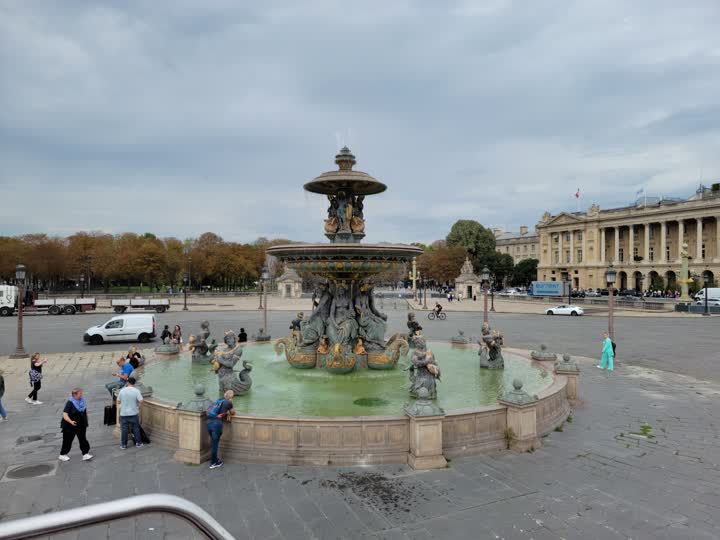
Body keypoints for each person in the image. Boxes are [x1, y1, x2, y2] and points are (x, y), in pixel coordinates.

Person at [59, 387, 92, 462]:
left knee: (83, 439)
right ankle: (62, 454)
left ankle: (85, 454)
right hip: (70, 426)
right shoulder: (70, 403)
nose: (82, 395)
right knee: (67, 441)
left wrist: (86, 419)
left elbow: (84, 410)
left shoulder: (82, 400)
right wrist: (71, 422)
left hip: (81, 424)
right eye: (80, 393)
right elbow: (65, 415)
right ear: (75, 395)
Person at [206, 390, 235, 469]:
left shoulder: (218, 401)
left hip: (208, 423)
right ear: (231, 397)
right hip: (216, 425)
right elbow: (233, 412)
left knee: (213, 443)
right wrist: (229, 411)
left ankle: (215, 459)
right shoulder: (228, 402)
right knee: (215, 444)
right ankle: (213, 463)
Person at [117, 377, 144, 450]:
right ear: (134, 383)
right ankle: (138, 443)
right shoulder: (136, 391)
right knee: (136, 428)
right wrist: (138, 407)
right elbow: (141, 401)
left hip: (124, 413)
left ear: (128, 382)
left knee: (124, 429)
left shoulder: (122, 391)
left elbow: (118, 401)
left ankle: (123, 445)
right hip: (134, 413)